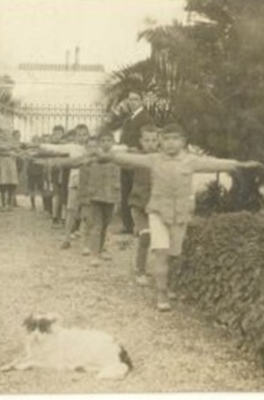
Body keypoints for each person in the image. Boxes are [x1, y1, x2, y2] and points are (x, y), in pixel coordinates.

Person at [104, 123, 261, 311]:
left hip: (181, 214)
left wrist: (240, 165)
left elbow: (215, 163)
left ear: (183, 141)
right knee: (161, 252)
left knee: (174, 254)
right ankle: (161, 294)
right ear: (161, 142)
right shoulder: (154, 159)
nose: (170, 143)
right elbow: (128, 159)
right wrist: (106, 155)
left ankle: (170, 286)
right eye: (167, 139)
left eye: (175, 139)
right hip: (158, 212)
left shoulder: (191, 161)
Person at [110, 92, 153, 235]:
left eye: (136, 99)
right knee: (126, 191)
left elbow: (148, 139)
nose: (132, 102)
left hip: (137, 159)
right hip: (126, 159)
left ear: (142, 101)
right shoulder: (129, 118)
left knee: (136, 192)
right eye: (130, 100)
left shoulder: (145, 118)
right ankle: (127, 225)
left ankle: (138, 226)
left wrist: (137, 151)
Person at [128, 125, 159, 286]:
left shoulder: (161, 158)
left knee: (159, 240)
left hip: (155, 206)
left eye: (154, 140)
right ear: (141, 142)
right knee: (146, 236)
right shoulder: (138, 158)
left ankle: (159, 271)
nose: (150, 144)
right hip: (138, 204)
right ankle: (140, 270)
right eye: (147, 140)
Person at [85, 130, 121, 267]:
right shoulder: (94, 158)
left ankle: (101, 249)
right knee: (97, 224)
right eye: (103, 141)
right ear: (99, 143)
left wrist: (117, 194)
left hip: (110, 196)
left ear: (113, 142)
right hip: (96, 195)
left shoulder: (116, 158)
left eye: (109, 141)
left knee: (106, 224)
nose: (106, 143)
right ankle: (94, 254)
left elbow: (118, 178)